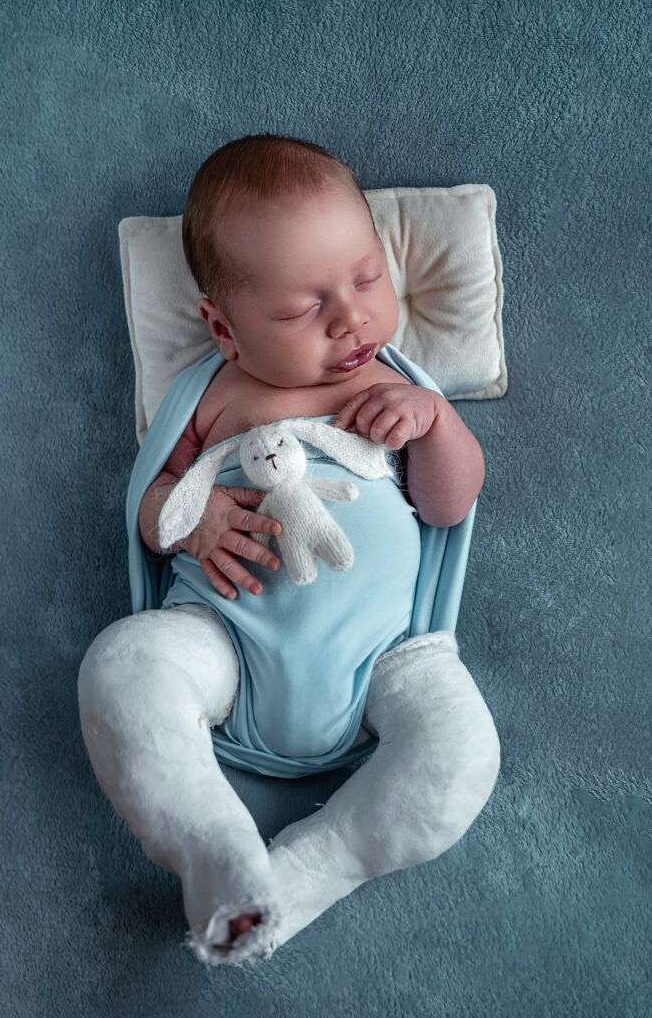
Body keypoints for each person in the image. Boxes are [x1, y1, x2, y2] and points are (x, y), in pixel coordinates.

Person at [78, 134, 501, 966]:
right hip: (222, 640)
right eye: (300, 309)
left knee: (459, 763)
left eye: (366, 277)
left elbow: (451, 506)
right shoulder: (215, 394)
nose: (350, 318)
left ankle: (305, 873)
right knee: (121, 667)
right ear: (224, 331)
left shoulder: (393, 384)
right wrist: (185, 521)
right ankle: (215, 850)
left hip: (392, 660)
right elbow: (149, 503)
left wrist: (434, 421)